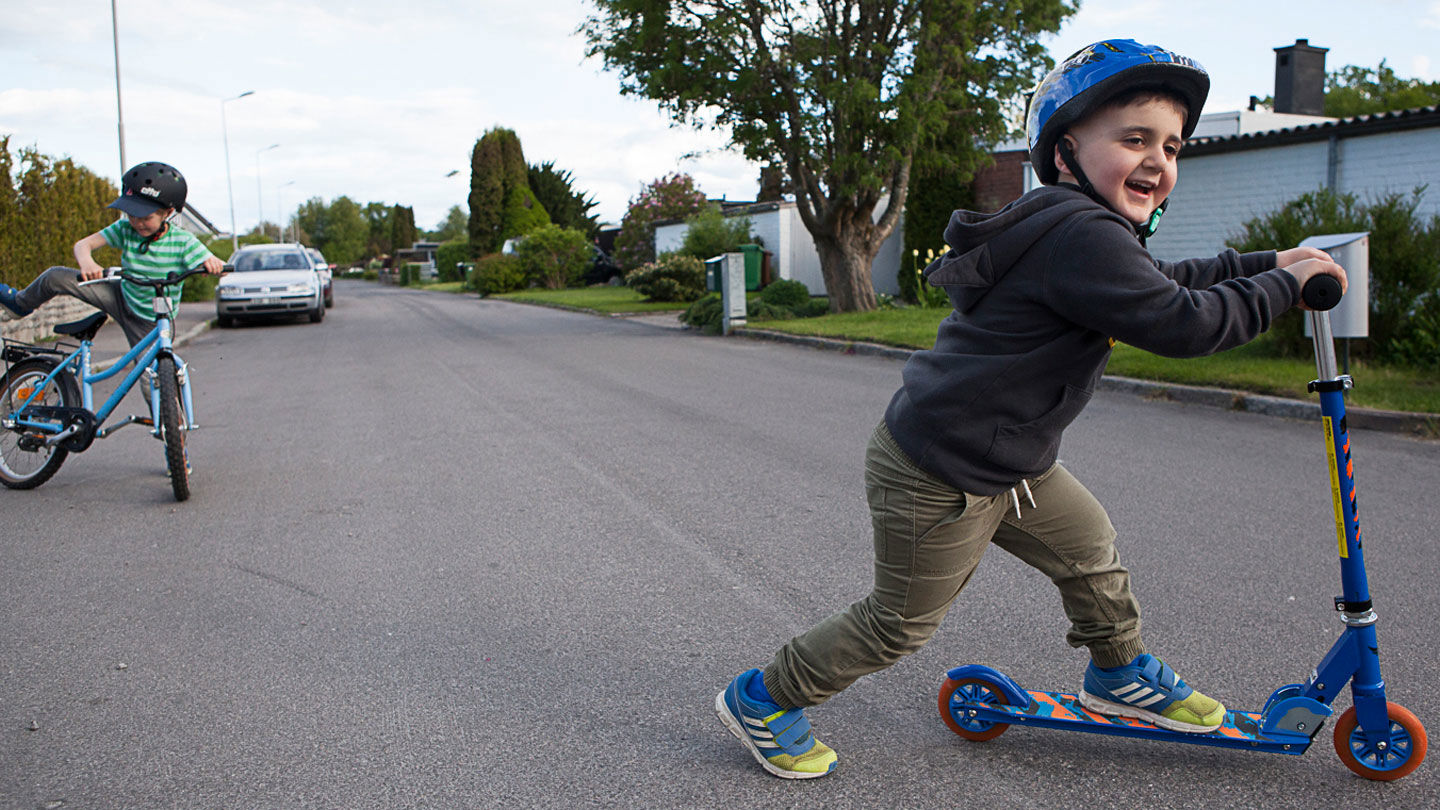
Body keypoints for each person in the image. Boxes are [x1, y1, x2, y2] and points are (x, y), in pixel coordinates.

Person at [714, 39, 1348, 780]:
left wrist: (1267, 264)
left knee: (1089, 549)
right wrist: (1282, 289)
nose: (1157, 160)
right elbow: (1183, 323)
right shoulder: (1080, 232)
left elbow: (1166, 281)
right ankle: (763, 697)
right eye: (1134, 138)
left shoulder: (1081, 227)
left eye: (1171, 145)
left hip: (1011, 459)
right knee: (900, 625)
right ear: (1066, 150)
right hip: (940, 469)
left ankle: (1118, 673)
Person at [0, 161, 225, 345]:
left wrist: (214, 265)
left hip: (151, 320)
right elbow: (82, 245)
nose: (137, 223)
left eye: (145, 217)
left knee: (154, 381)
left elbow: (216, 265)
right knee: (55, 276)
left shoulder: (184, 241)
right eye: (131, 215)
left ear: (167, 212)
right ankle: (20, 304)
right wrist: (87, 262)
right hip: (119, 296)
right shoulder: (125, 229)